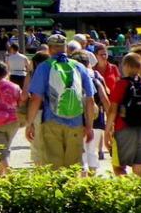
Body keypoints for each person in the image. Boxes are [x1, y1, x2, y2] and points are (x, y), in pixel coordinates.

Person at [25, 34, 95, 169]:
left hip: (51, 121)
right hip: (76, 122)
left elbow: (35, 99)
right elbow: (90, 99)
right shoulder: (79, 67)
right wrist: (89, 126)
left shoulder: (44, 67)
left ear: (50, 49)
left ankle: (57, 189)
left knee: (53, 166)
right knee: (73, 166)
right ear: (65, 48)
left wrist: (30, 123)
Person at [107, 52, 141, 176]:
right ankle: (139, 192)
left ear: (127, 66)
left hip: (123, 128)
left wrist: (107, 130)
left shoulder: (120, 84)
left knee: (119, 166)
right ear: (140, 67)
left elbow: (113, 110)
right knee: (140, 168)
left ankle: (124, 192)